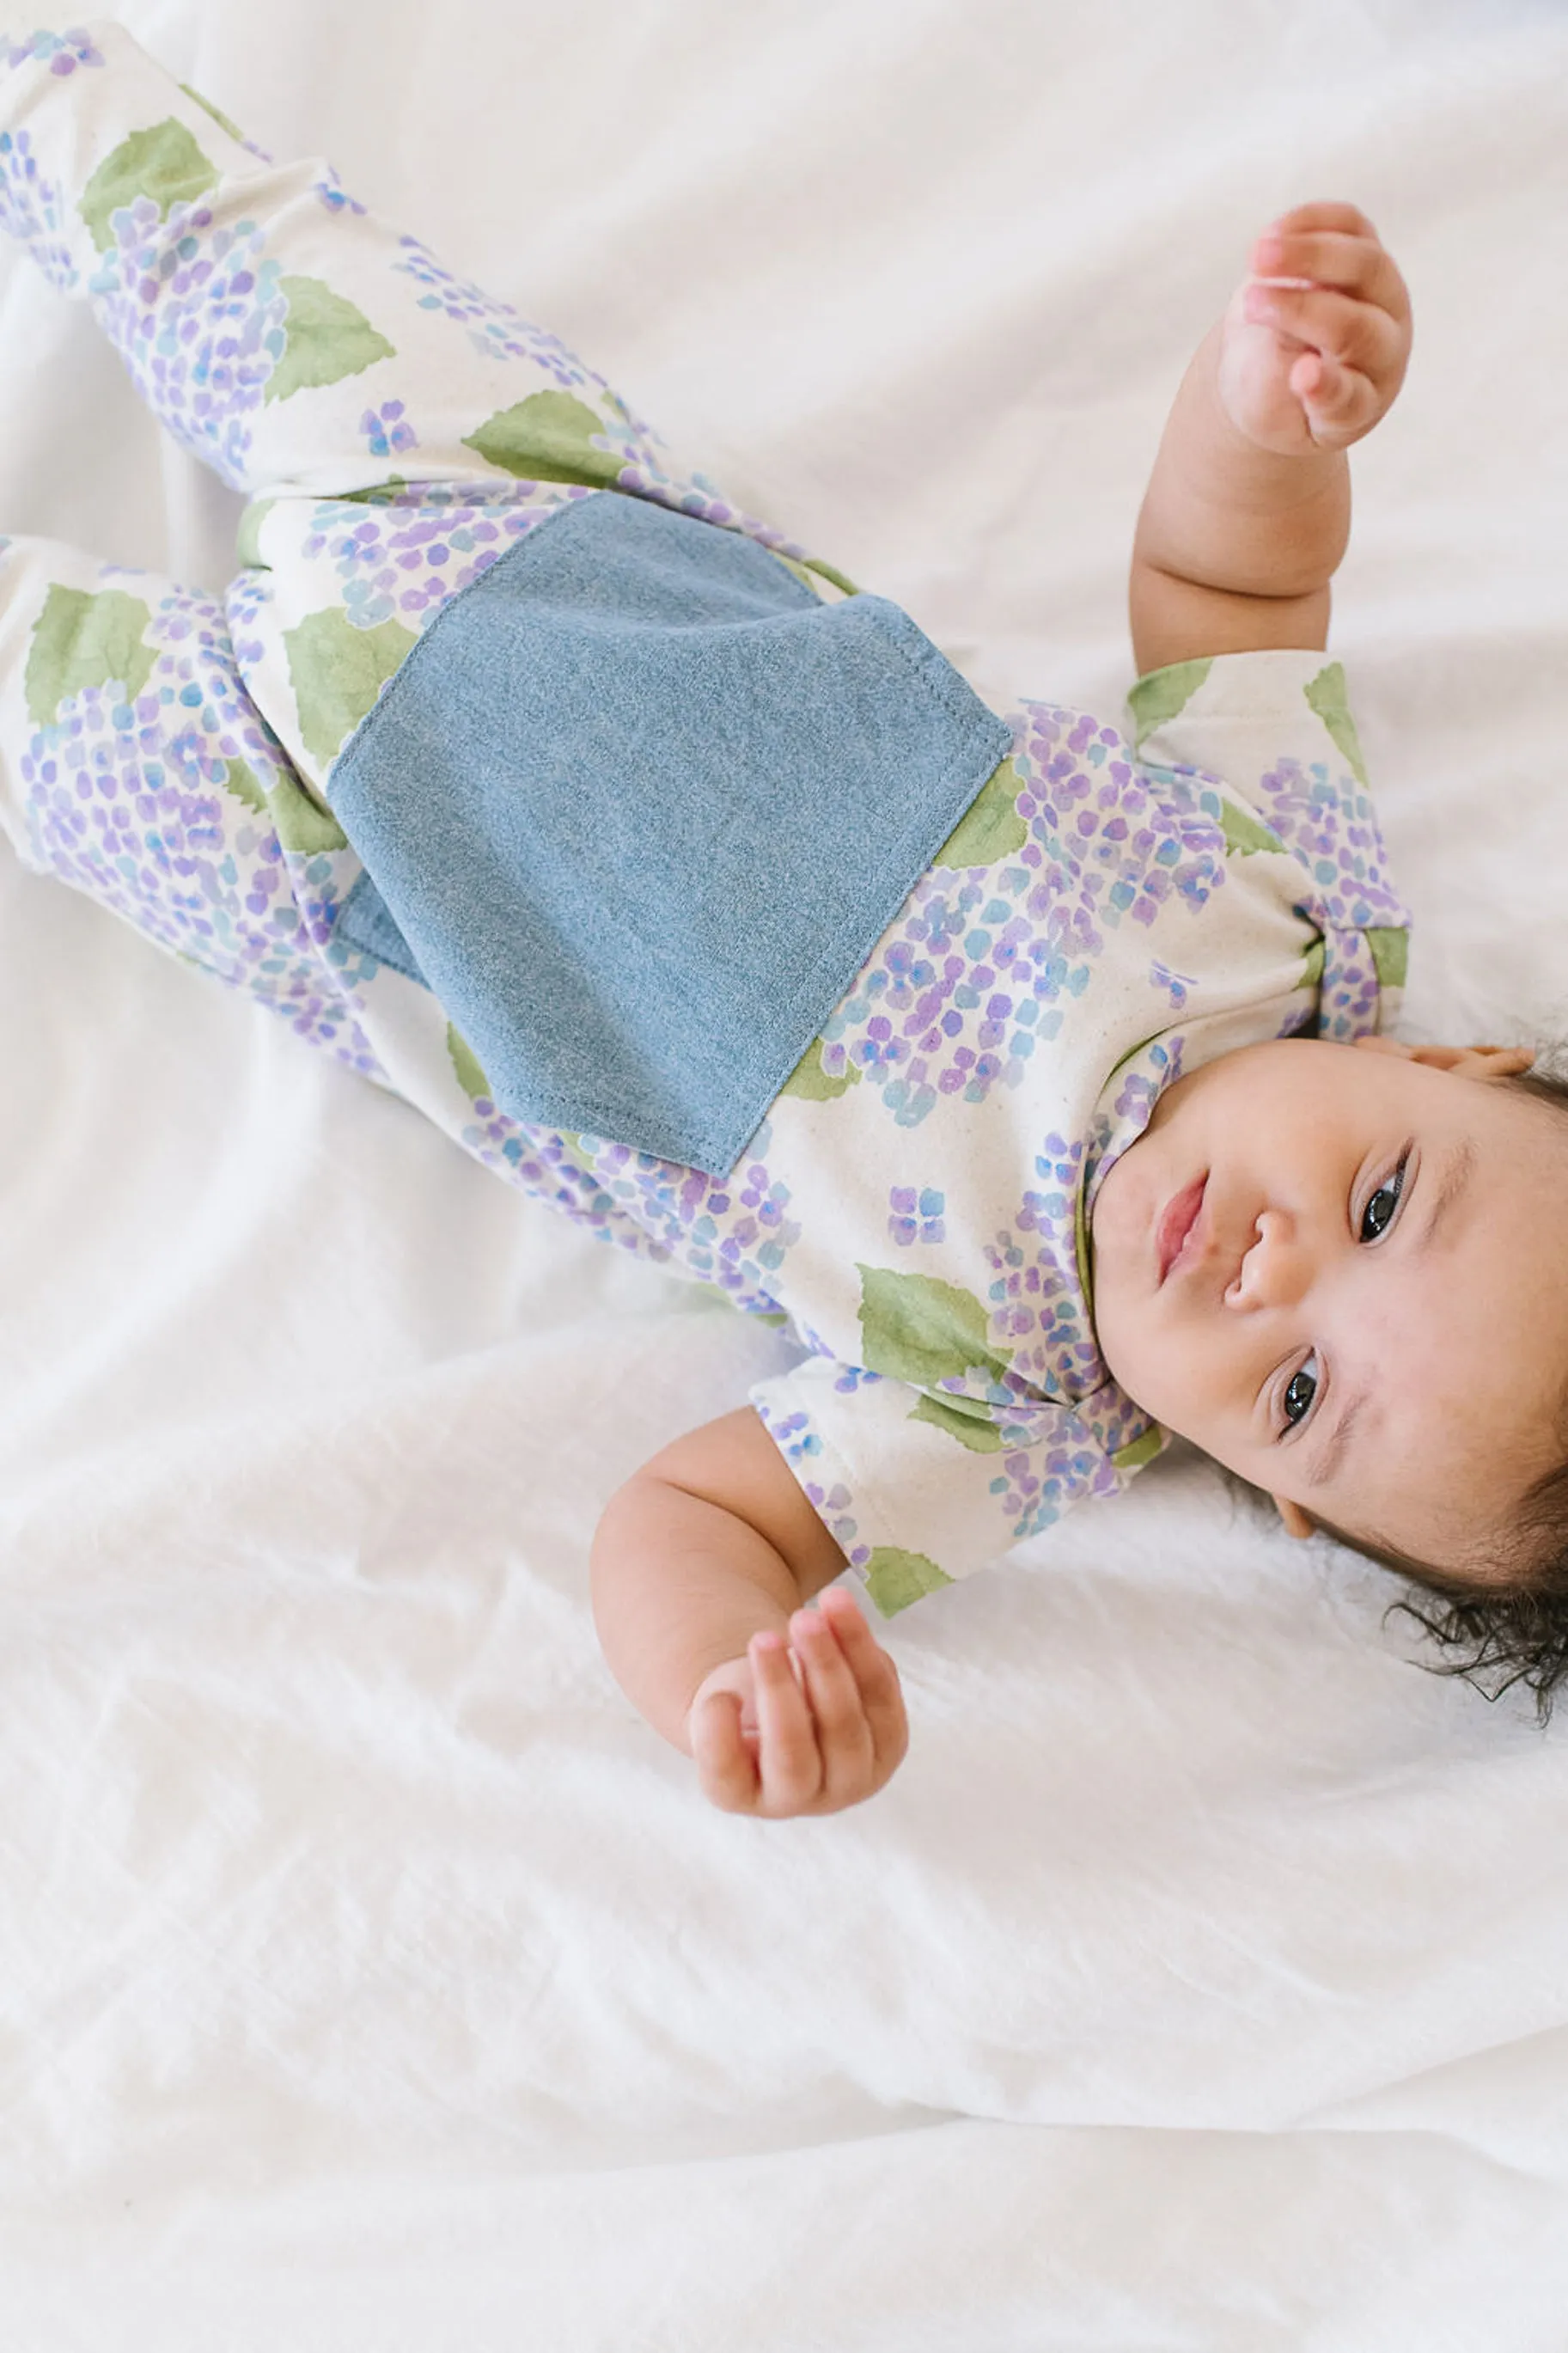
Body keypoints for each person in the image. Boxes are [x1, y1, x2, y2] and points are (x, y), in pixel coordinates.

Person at [2, 23, 1560, 1825]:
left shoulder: (1004, 1414)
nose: (1269, 1274)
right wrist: (1267, 410)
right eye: (1382, 1202)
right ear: (1446, 1059)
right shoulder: (1291, 909)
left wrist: (730, 1679)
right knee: (197, 218)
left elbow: (688, 1519)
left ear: (1266, 1491)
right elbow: (1231, 581)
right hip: (539, 520)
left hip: (350, 863)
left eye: (1295, 1395)